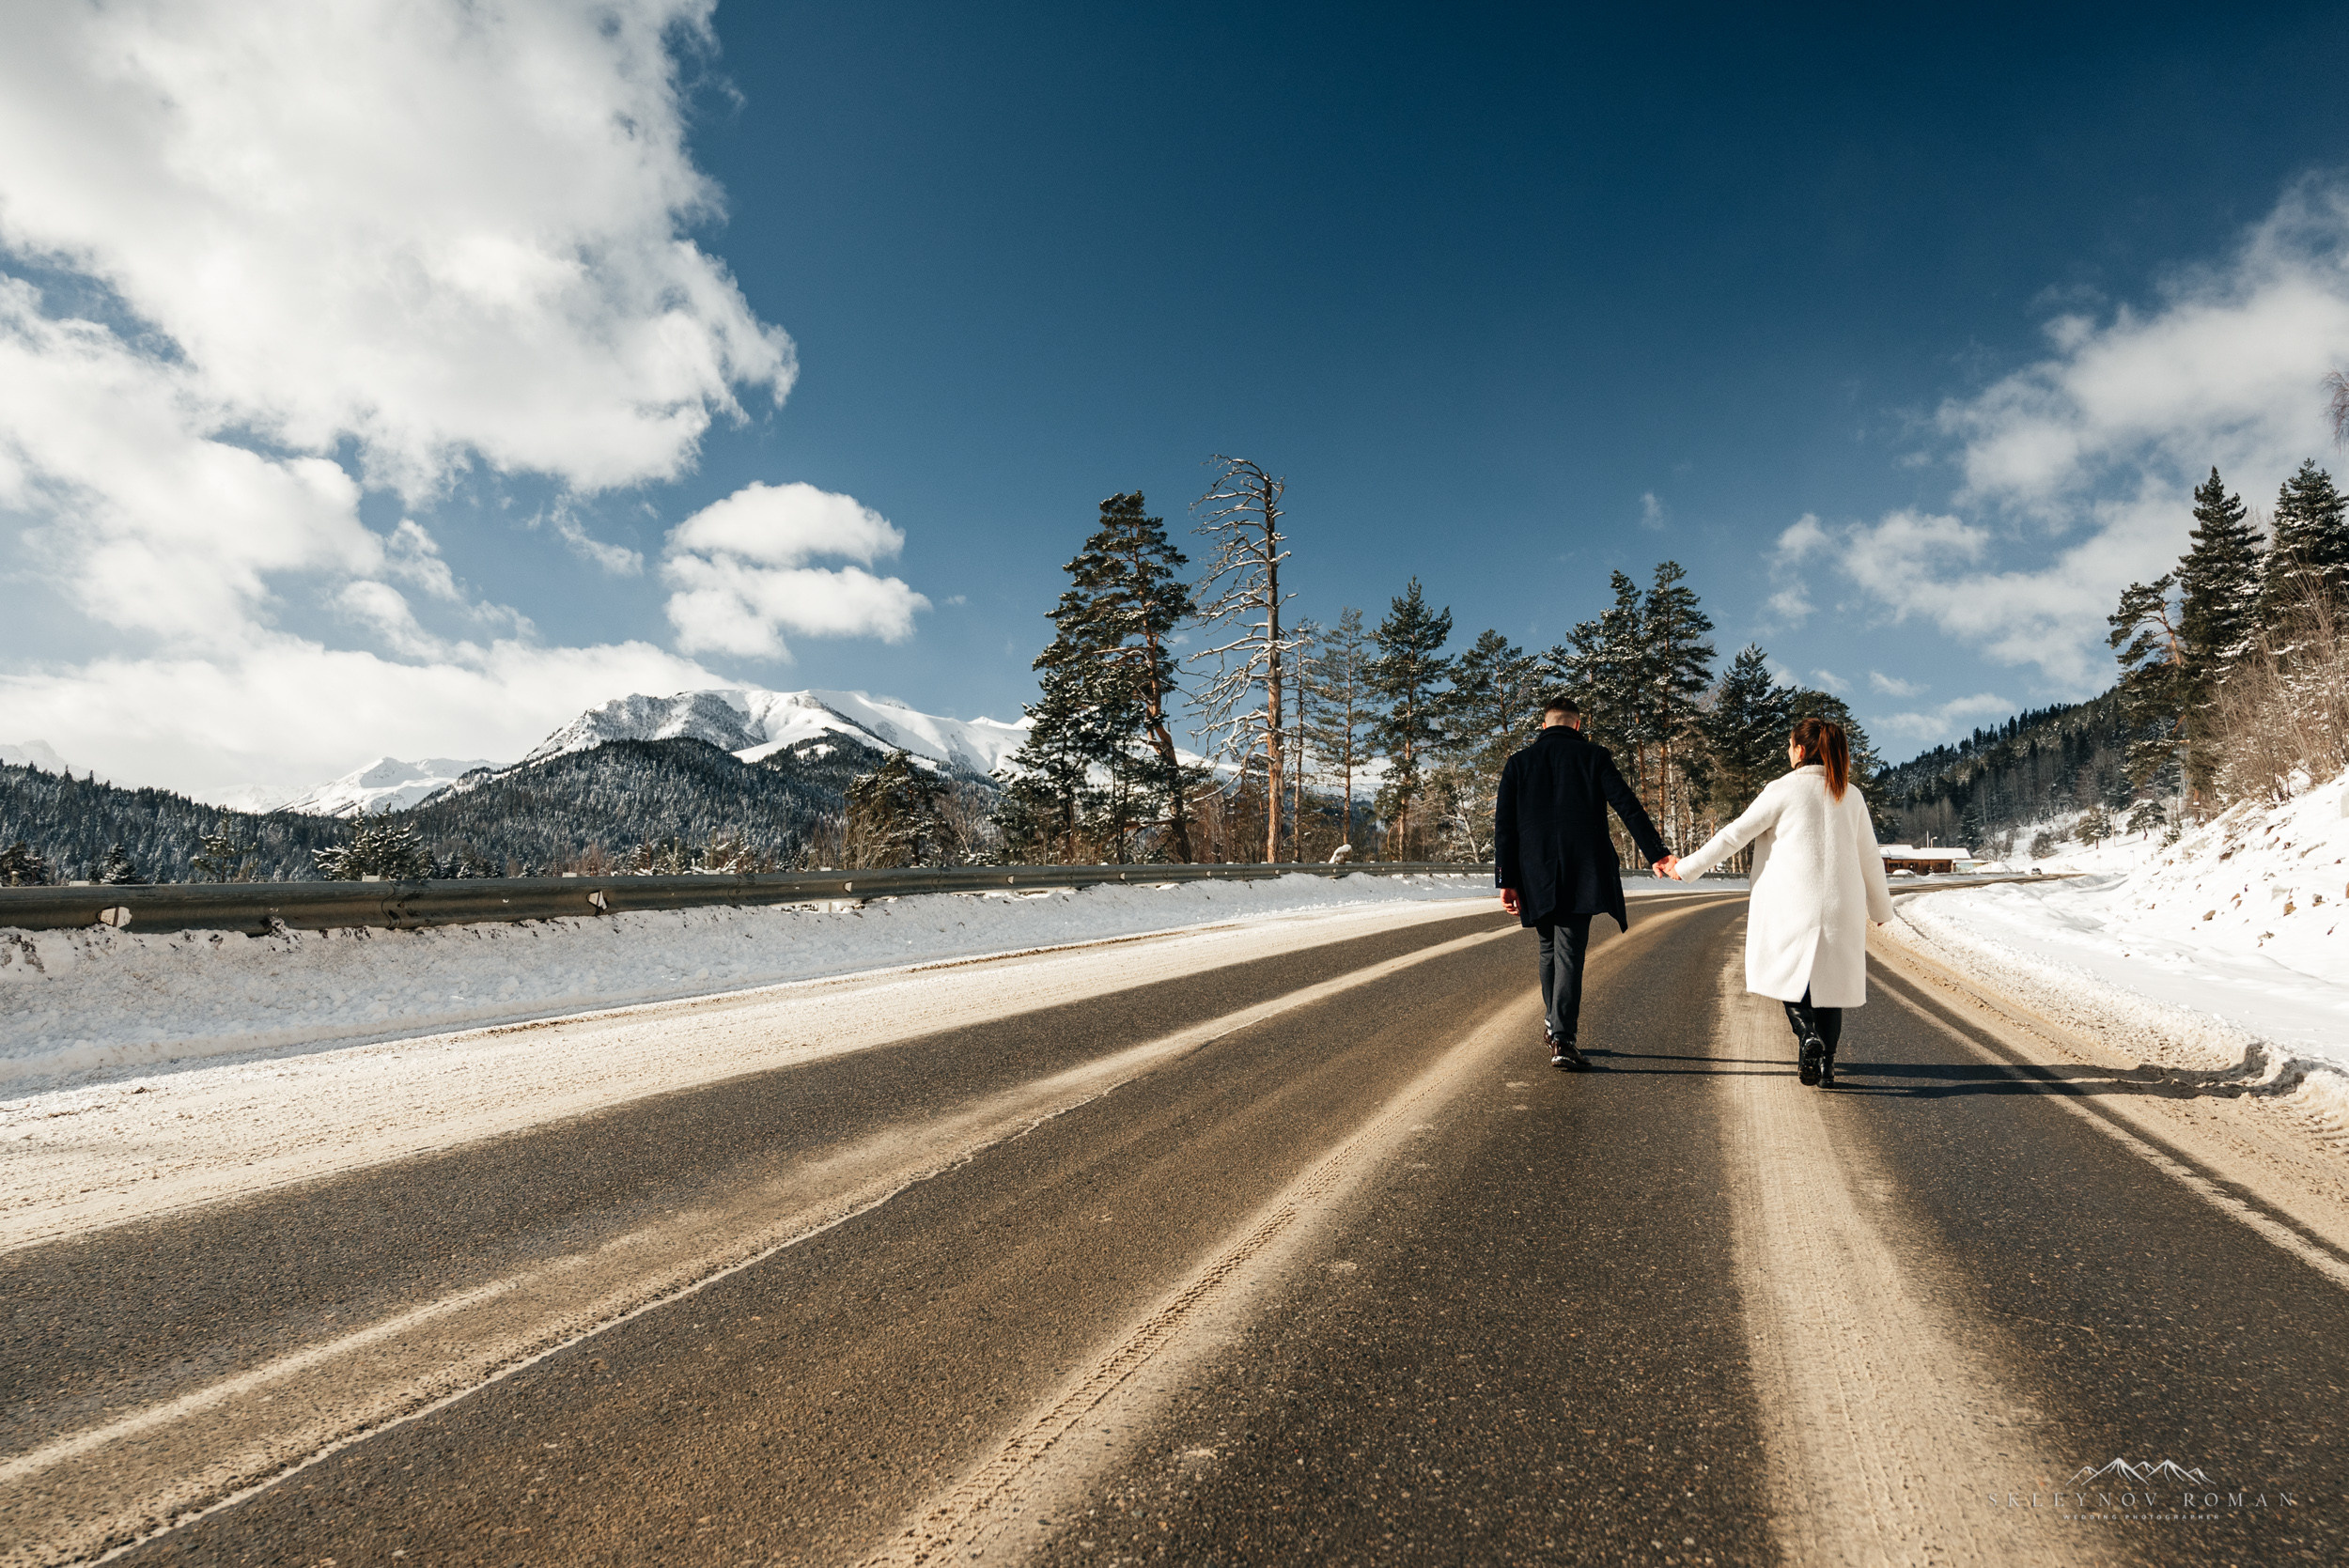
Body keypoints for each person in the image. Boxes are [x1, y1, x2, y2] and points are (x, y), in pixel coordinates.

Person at [1663, 716, 1893, 1087]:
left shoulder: (1783, 789)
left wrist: (1685, 867)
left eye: (1789, 745)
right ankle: (1828, 1067)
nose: (1788, 751)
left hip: (1793, 903)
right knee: (1829, 987)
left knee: (1792, 977)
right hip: (1841, 907)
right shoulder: (1850, 795)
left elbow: (1732, 835)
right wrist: (1881, 909)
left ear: (1799, 751)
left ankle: (1807, 1036)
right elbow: (1870, 857)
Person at [1494, 695, 1678, 1070]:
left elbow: (1505, 828)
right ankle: (1562, 1037)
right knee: (1569, 951)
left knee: (1549, 947)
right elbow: (1628, 806)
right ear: (1578, 725)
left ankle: (1555, 1025)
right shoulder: (1594, 757)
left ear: (1543, 726)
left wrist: (1506, 880)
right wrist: (1656, 853)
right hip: (1582, 870)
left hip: (1535, 871)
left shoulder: (1519, 763)